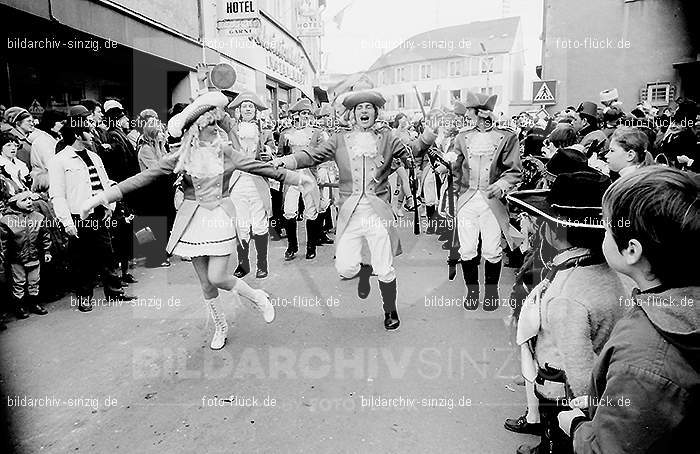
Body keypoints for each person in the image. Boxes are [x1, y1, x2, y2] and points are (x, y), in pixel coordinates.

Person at [80, 91, 314, 350]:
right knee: (205, 283)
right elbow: (141, 178)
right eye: (210, 124)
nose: (216, 128)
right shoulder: (181, 156)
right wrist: (98, 198)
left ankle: (257, 296)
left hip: (221, 217)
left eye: (217, 122)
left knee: (217, 276)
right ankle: (220, 326)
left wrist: (297, 179)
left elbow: (260, 167)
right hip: (192, 221)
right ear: (194, 129)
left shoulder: (226, 152)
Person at [558, 166, 699, 453]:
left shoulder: (644, 357)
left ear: (632, 250)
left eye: (608, 227)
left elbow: (608, 449)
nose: (603, 233)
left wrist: (576, 426)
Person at [273, 89, 437, 330]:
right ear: (352, 114)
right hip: (349, 213)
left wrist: (429, 135)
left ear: (376, 112)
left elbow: (412, 150)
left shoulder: (388, 138)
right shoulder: (339, 140)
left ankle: (390, 310)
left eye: (368, 107)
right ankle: (362, 270)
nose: (364, 111)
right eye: (359, 107)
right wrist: (285, 161)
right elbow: (312, 155)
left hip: (377, 212)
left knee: (385, 266)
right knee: (345, 266)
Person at [507, 171, 627, 454]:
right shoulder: (601, 270)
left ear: (555, 231)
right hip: (587, 378)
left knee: (558, 439)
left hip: (564, 392)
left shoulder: (567, 296)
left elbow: (581, 370)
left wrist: (584, 417)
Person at [49, 105, 132, 312]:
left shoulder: (94, 157)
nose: (93, 133)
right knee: (81, 259)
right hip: (78, 216)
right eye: (88, 129)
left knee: (107, 253)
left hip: (99, 213)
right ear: (78, 134)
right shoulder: (59, 161)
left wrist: (109, 206)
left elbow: (106, 184)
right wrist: (67, 222)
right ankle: (84, 297)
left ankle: (114, 292)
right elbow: (57, 195)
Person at [449, 91, 522, 311]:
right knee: (467, 249)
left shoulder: (507, 136)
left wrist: (501, 185)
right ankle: (472, 292)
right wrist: (450, 173)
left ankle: (491, 293)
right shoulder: (461, 136)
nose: (466, 115)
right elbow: (455, 168)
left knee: (492, 249)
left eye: (469, 112)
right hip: (467, 200)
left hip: (493, 202)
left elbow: (514, 171)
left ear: (478, 113)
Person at [227, 91, 276, 278]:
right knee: (241, 224)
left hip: (257, 181)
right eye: (244, 106)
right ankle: (243, 264)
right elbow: (218, 114)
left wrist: (269, 153)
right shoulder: (231, 128)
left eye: (251, 106)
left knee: (259, 224)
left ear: (256, 111)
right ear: (238, 110)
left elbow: (273, 152)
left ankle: (262, 264)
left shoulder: (265, 131)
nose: (248, 109)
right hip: (237, 180)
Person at [277, 98, 324, 260]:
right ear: (294, 116)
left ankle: (311, 247)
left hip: (309, 175)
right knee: (289, 211)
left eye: (307, 114)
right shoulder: (285, 133)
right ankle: (292, 246)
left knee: (311, 210)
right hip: (291, 176)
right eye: (302, 114)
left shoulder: (316, 133)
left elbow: (323, 155)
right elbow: (280, 155)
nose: (305, 117)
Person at [0, 179, 51, 318]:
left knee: (34, 280)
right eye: (24, 200)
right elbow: (3, 241)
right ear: (15, 203)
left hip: (34, 255)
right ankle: (20, 306)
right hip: (16, 258)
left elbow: (45, 235)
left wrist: (47, 251)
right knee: (19, 282)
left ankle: (34, 303)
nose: (29, 201)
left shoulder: (38, 217)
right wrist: (4, 256)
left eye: (30, 198)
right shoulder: (7, 220)